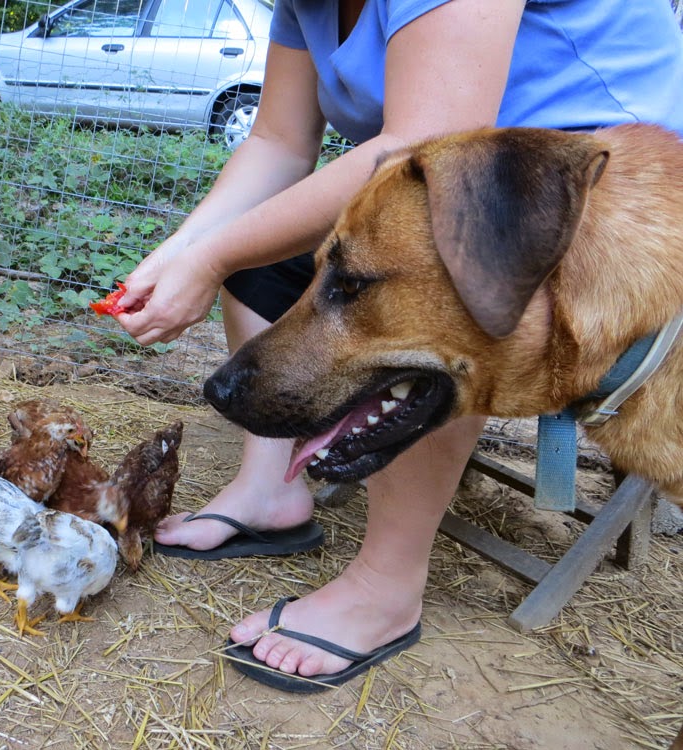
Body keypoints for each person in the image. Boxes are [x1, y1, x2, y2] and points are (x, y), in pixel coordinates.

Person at [113, 0, 683, 691]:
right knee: (265, 256)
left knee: (442, 336)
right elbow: (278, 144)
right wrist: (188, 252)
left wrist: (209, 261)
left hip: (579, 207)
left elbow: (428, 134)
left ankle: (387, 586)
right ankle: (269, 492)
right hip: (450, 192)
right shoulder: (302, 6)